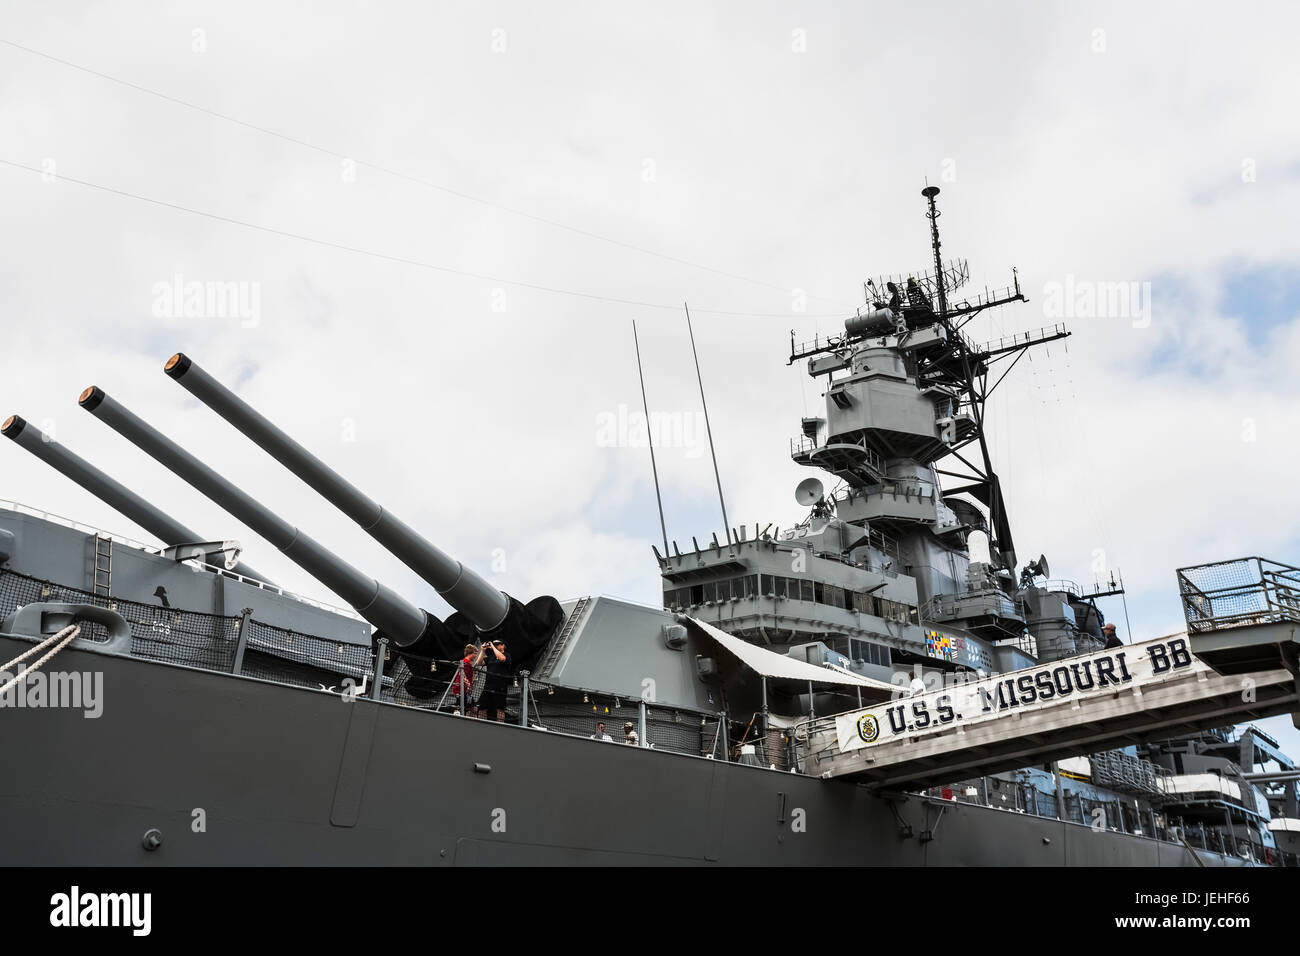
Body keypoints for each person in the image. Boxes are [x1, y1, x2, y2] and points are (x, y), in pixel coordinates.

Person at [476, 639, 511, 722]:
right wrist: (483, 651)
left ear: (503, 645)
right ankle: (482, 726)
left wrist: (492, 646)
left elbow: (502, 658)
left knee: (500, 709)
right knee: (482, 708)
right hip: (488, 686)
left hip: (500, 686)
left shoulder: (507, 655)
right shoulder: (491, 657)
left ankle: (500, 727)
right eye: (495, 645)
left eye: (497, 644)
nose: (495, 646)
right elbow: (479, 663)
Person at [451, 642, 484, 713]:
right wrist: (468, 684)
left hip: (465, 691)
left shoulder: (467, 662)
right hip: (461, 690)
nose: (475, 655)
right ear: (470, 653)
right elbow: (462, 674)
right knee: (463, 708)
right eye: (475, 653)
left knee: (471, 708)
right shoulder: (465, 662)